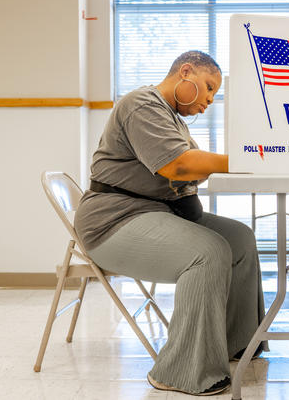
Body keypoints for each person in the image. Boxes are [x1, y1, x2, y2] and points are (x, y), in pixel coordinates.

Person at [74, 50, 266, 396]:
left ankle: (233, 343)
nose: (208, 101)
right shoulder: (140, 104)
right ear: (186, 72)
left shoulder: (171, 119)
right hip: (113, 222)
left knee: (239, 238)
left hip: (154, 213)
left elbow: (190, 167)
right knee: (207, 252)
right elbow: (177, 166)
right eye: (208, 88)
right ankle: (179, 371)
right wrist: (246, 157)